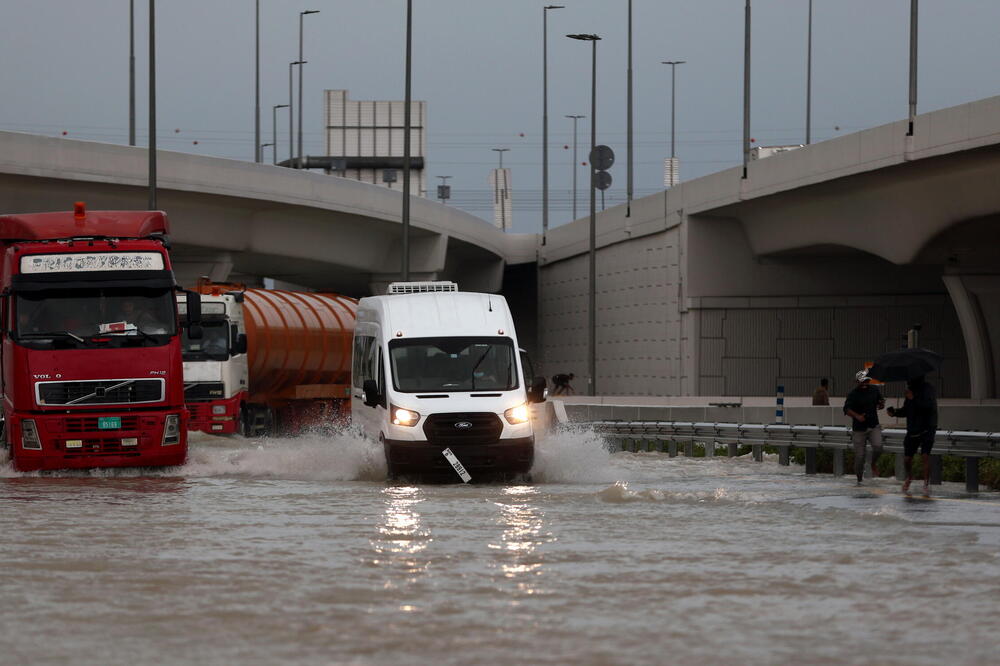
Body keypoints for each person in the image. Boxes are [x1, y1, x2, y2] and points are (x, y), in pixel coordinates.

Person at [887, 375, 938, 494]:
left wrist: (913, 398)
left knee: (925, 456)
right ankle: (910, 476)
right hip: (913, 429)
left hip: (927, 428)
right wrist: (895, 412)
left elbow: (928, 406)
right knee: (907, 459)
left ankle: (926, 483)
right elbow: (907, 410)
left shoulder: (927, 388)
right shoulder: (910, 391)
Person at [843, 370, 885, 484]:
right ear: (857, 382)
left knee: (878, 446)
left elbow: (880, 402)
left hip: (873, 425)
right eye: (862, 381)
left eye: (867, 381)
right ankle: (859, 479)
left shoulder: (875, 390)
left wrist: (881, 404)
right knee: (860, 456)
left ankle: (872, 463)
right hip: (859, 428)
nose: (865, 383)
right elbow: (846, 409)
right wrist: (857, 416)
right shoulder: (853, 394)